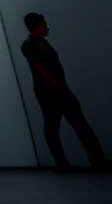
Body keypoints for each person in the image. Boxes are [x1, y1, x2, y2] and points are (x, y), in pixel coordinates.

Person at [21, 12, 110, 171]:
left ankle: (97, 159)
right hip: (48, 92)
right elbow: (37, 65)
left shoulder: (42, 43)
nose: (47, 27)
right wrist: (54, 81)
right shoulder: (28, 44)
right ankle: (64, 162)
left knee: (78, 124)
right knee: (54, 127)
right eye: (44, 24)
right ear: (37, 26)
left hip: (59, 89)